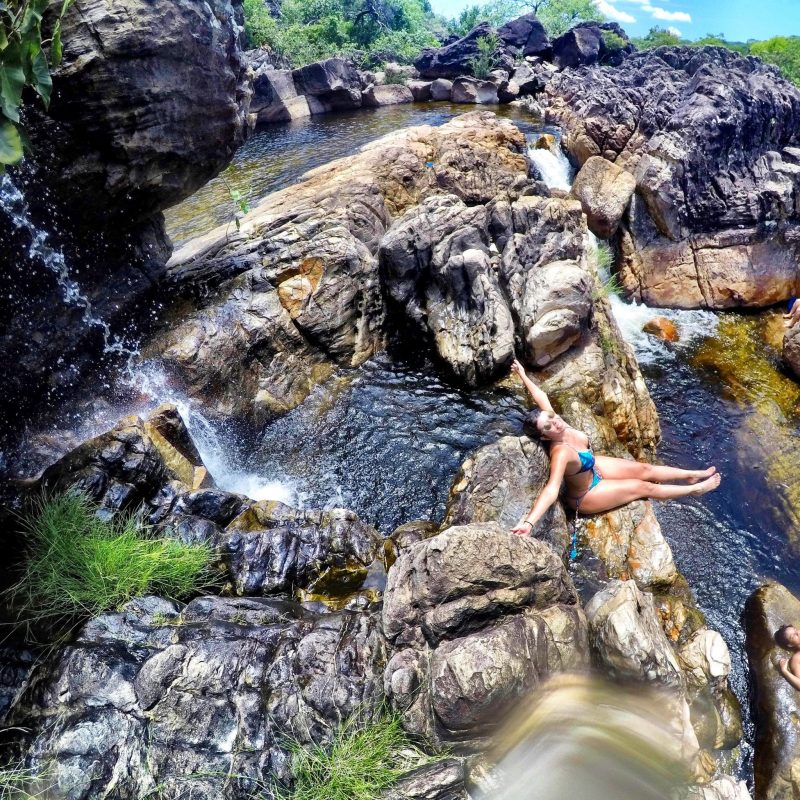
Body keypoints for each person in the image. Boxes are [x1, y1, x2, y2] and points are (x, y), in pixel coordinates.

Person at [509, 359, 721, 536]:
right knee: (643, 487)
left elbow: (542, 397)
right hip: (587, 493)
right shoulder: (561, 451)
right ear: (545, 436)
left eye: (551, 417)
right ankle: (695, 489)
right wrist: (529, 523)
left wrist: (522, 374)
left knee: (645, 469)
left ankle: (692, 474)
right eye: (548, 426)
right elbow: (552, 489)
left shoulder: (557, 422)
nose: (555, 422)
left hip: (594, 468)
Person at [774, 625, 800, 690]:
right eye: (794, 636)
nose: (798, 633)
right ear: (790, 645)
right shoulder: (796, 659)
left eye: (796, 630)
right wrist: (784, 671)